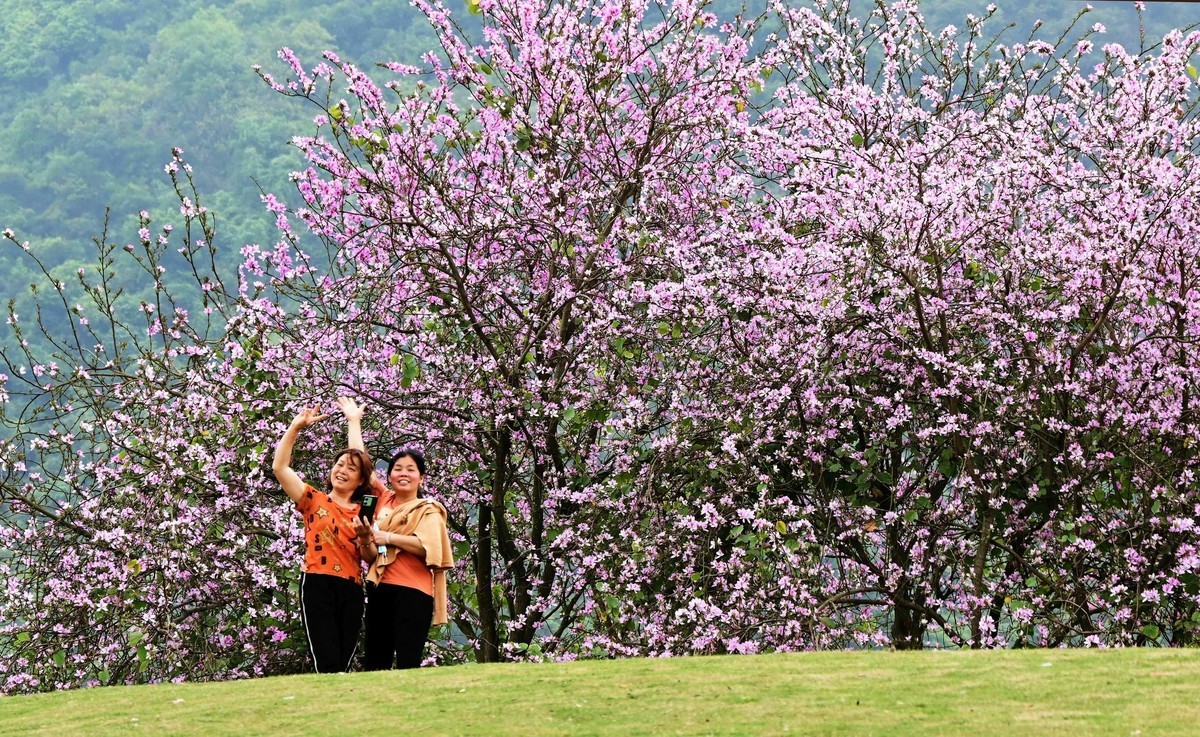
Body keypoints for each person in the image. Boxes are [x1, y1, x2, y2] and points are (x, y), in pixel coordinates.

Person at [337, 396, 454, 670]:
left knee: (408, 660)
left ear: (421, 478)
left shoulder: (428, 509)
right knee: (376, 659)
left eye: (410, 470)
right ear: (389, 475)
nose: (403, 473)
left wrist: (388, 538)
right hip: (380, 586)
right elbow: (361, 461)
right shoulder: (383, 500)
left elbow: (429, 549)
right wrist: (354, 421)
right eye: (397, 469)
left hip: (414, 591)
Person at [272, 405, 377, 673]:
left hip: (352, 588)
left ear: (361, 479)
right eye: (339, 464)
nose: (342, 470)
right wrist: (295, 428)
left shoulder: (364, 511)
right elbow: (280, 467)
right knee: (326, 659)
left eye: (351, 468)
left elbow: (371, 557)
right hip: (317, 582)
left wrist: (365, 538)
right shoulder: (313, 499)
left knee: (343, 659)